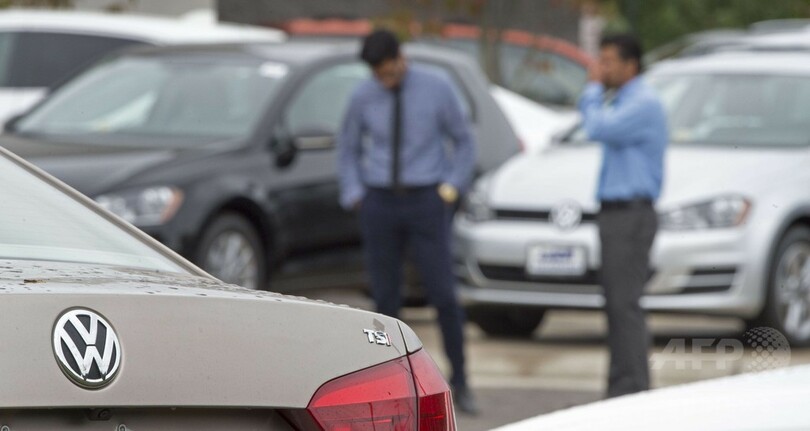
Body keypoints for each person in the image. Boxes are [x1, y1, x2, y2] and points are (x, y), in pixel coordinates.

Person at [337, 29, 479, 414]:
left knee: (444, 296)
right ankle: (389, 389)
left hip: (426, 201)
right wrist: (355, 194)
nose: (386, 80)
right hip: (379, 203)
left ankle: (461, 382)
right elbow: (347, 147)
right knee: (385, 304)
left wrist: (451, 188)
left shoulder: (436, 86)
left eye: (390, 71)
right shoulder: (363, 95)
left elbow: (463, 141)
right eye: (379, 75)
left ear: (401, 57)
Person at [578, 33, 668, 398]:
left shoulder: (642, 102)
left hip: (630, 215)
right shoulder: (624, 100)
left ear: (631, 65)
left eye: (608, 60)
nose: (601, 68)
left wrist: (591, 90)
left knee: (624, 304)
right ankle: (621, 388)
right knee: (616, 303)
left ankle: (631, 389)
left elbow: (598, 127)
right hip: (617, 214)